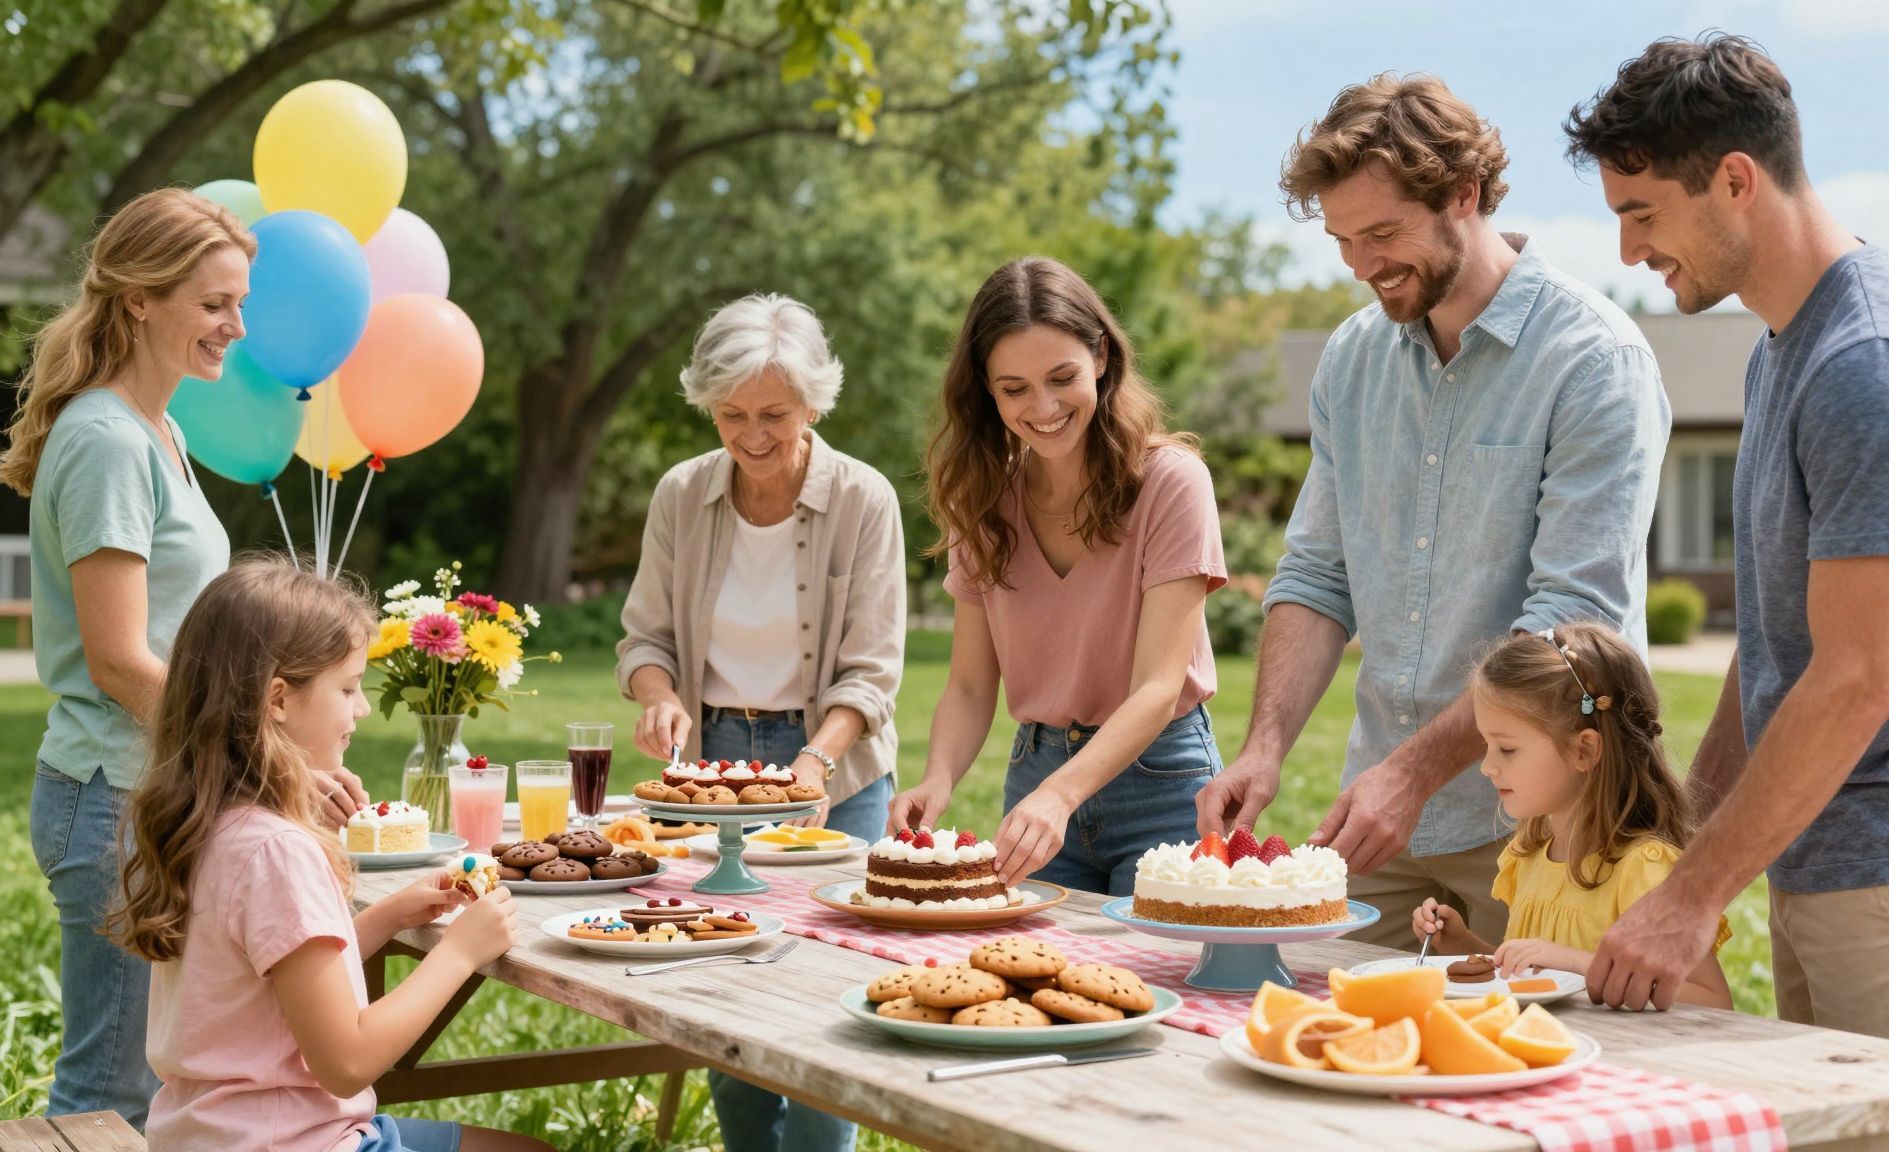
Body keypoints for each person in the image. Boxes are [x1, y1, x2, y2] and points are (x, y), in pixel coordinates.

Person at [1564, 34, 1889, 1152]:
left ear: (1733, 178)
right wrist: (1684, 824)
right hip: (1831, 856)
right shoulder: (1783, 345)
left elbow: (1854, 683)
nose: (1628, 249)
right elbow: (1784, 633)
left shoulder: (1872, 364)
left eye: (1640, 211)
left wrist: (1687, 901)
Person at [1195, 74, 1669, 950]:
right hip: (1385, 820)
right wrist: (1263, 750)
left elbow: (1569, 626)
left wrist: (1411, 774)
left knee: (1525, 1069)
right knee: (1324, 1047)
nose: (1363, 265)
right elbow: (1317, 575)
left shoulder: (1593, 360)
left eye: (1382, 233)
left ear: (1465, 195)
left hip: (1549, 826)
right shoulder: (1351, 359)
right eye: (1343, 240)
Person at [2, 188, 370, 1127]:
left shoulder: (157, 430)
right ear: (139, 300)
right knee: (106, 1095)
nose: (236, 327)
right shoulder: (108, 441)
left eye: (239, 303)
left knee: (152, 1083)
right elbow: (122, 660)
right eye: (214, 304)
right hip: (114, 795)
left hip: (149, 788)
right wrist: (270, 756)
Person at [107, 559, 545, 1152]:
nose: (361, 708)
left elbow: (269, 983)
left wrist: (386, 916)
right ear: (279, 700)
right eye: (347, 687)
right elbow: (347, 1060)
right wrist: (461, 951)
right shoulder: (277, 852)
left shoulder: (207, 823)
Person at [616, 293, 903, 1152]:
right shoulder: (683, 494)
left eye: (773, 414)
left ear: (814, 403)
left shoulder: (864, 500)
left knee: (819, 994)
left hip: (831, 769)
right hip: (710, 765)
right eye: (730, 413)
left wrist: (813, 759)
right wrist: (660, 697)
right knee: (728, 983)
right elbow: (646, 637)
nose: (751, 434)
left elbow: (873, 669)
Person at [892, 256, 1228, 895]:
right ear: (986, 392)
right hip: (1037, 776)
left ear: (1101, 356)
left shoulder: (1171, 482)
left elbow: (1158, 687)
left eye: (1061, 377)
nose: (1042, 406)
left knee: (1159, 981)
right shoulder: (984, 500)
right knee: (1033, 980)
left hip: (1163, 781)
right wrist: (937, 779)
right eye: (1014, 388)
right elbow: (967, 687)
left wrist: (1061, 794)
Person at [1414, 623, 1731, 1009]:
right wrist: (1463, 945)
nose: (1487, 766)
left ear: (1584, 750)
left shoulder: (1642, 870)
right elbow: (1534, 977)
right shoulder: (1529, 857)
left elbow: (1712, 1000)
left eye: (1507, 749)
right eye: (1487, 745)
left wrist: (1581, 964)